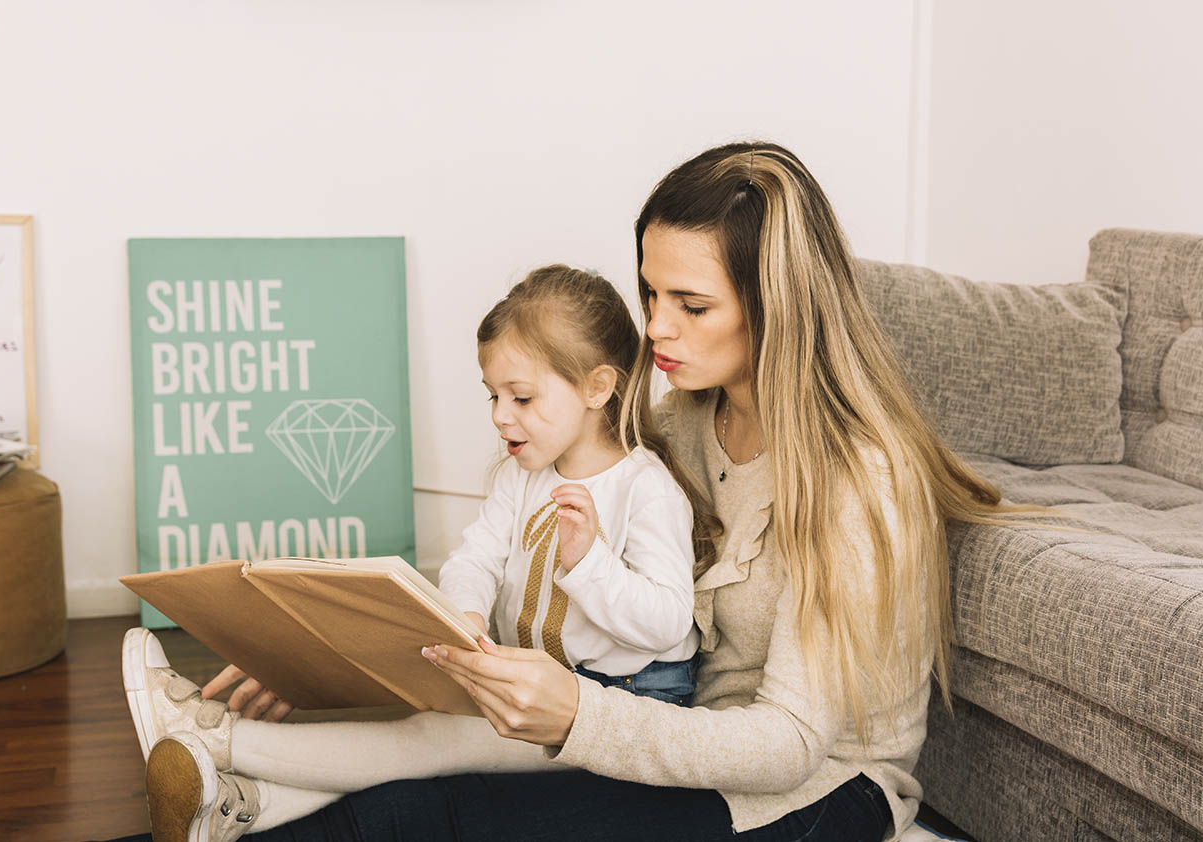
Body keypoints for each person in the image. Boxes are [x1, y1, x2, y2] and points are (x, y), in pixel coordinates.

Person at [107, 141, 1026, 842]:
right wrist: (312, 656)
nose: (654, 328)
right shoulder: (677, 424)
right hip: (674, 730)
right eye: (649, 291)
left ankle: (226, 787)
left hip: (811, 793)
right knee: (410, 775)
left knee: (425, 818)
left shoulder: (858, 482)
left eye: (690, 305)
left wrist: (575, 715)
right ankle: (225, 789)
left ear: (778, 301)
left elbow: (784, 744)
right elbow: (515, 564)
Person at [120, 265, 714, 841]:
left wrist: (588, 565)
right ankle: (243, 806)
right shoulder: (524, 475)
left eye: (523, 398)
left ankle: (214, 737)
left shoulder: (646, 489)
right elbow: (474, 559)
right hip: (533, 681)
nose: (500, 416)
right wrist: (465, 617)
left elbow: (665, 624)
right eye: (493, 396)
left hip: (620, 706)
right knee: (417, 735)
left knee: (433, 741)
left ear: (598, 388)